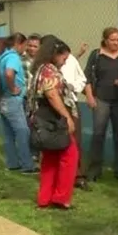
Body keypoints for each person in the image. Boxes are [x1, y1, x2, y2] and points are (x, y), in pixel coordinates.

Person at [29, 39, 78, 209]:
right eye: (64, 59)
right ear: (56, 55)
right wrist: (67, 117)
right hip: (53, 119)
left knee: (50, 157)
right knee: (69, 155)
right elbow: (52, 95)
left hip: (43, 118)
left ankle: (45, 198)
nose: (64, 63)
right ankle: (61, 197)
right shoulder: (49, 71)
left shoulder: (40, 69)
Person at [84, 27, 118, 181]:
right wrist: (90, 96)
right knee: (98, 134)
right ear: (105, 40)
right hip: (101, 99)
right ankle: (94, 170)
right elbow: (87, 77)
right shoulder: (96, 55)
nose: (116, 43)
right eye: (112, 40)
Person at [0, 33, 37, 174]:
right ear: (19, 44)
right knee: (23, 131)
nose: (25, 49)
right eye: (25, 45)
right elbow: (9, 73)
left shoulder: (1, 56)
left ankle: (12, 164)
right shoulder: (12, 57)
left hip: (2, 100)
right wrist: (13, 88)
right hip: (13, 100)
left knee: (9, 134)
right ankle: (27, 166)